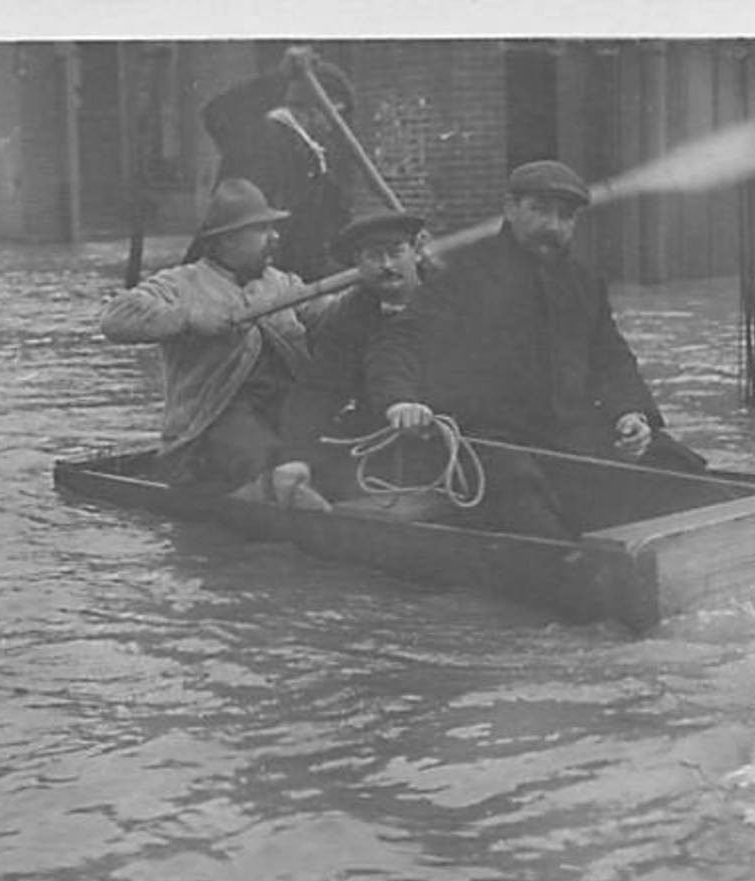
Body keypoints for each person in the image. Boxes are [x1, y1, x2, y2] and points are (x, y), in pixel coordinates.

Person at [364, 159, 705, 537]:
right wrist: (400, 401)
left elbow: (612, 359)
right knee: (523, 497)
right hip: (490, 438)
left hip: (570, 434)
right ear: (510, 209)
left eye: (565, 216)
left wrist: (631, 415)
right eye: (539, 211)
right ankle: (572, 571)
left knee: (677, 464)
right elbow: (400, 341)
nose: (552, 226)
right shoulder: (461, 274)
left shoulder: (584, 284)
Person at [99, 178, 331, 510]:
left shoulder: (281, 283)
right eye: (262, 230)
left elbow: (329, 315)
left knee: (326, 450)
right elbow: (114, 318)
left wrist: (375, 290)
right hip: (207, 433)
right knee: (265, 459)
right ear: (227, 240)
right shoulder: (181, 283)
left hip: (282, 415)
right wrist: (189, 317)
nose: (275, 237)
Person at [278, 210, 431, 497]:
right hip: (382, 434)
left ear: (417, 251)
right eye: (374, 256)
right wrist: (295, 456)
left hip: (458, 431)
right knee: (331, 478)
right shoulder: (349, 317)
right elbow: (319, 390)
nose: (387, 265)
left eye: (396, 252)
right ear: (358, 264)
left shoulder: (454, 298)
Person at [195, 47, 355, 281]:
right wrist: (280, 77)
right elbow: (218, 113)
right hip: (241, 271)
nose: (335, 126)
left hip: (291, 272)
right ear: (307, 110)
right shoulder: (263, 135)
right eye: (335, 115)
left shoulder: (313, 153)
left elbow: (334, 215)